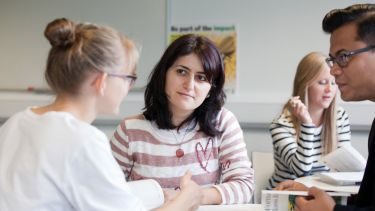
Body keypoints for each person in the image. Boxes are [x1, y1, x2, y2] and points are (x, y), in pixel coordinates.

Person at [0, 18, 203, 211]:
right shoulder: (83, 141)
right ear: (102, 81)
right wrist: (187, 198)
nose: (128, 87)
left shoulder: (17, 122)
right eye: (127, 78)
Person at [110, 34, 254, 205]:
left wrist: (194, 197)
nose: (189, 85)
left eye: (201, 77)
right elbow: (108, 193)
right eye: (181, 72)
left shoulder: (223, 122)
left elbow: (244, 185)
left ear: (210, 89)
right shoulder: (130, 131)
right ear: (164, 74)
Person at [276, 4, 375, 211]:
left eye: (344, 56)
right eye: (333, 60)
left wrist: (331, 210)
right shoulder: (282, 123)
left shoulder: (339, 116)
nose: (334, 71)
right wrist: (316, 194)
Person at [267, 51, 351, 189]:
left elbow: (343, 166)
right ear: (305, 85)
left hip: (322, 195)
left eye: (333, 82)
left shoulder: (340, 117)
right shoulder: (281, 125)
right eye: (322, 83)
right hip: (286, 198)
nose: (330, 89)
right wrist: (307, 124)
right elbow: (301, 170)